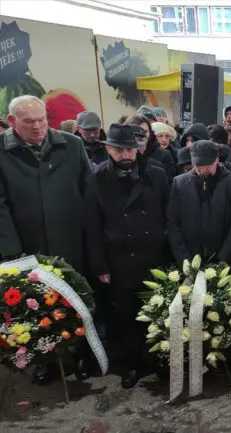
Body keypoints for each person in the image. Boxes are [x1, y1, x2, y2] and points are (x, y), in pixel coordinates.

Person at [0, 96, 93, 382]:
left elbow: (89, 193)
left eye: (42, 119)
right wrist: (11, 253)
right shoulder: (2, 152)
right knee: (38, 306)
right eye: (29, 122)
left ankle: (82, 354)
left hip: (72, 241)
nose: (39, 126)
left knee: (78, 300)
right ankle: (47, 360)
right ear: (12, 121)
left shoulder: (72, 144)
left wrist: (92, 241)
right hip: (29, 246)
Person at [83, 123, 169, 388]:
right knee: (126, 316)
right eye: (119, 149)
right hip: (119, 259)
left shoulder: (157, 173)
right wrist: (99, 264)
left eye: (130, 149)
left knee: (157, 310)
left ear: (138, 148)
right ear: (108, 149)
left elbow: (169, 215)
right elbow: (92, 225)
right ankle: (133, 364)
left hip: (154, 256)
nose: (126, 155)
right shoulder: (96, 178)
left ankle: (159, 359)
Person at [167, 140, 231, 268]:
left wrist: (224, 257)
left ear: (217, 160)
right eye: (198, 165)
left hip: (226, 261)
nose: (203, 169)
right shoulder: (179, 183)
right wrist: (184, 258)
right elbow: (173, 222)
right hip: (190, 260)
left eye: (207, 164)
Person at [123, 115, 176, 180]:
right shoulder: (121, 154)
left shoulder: (164, 155)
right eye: (137, 131)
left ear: (150, 132)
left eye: (145, 131)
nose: (141, 134)